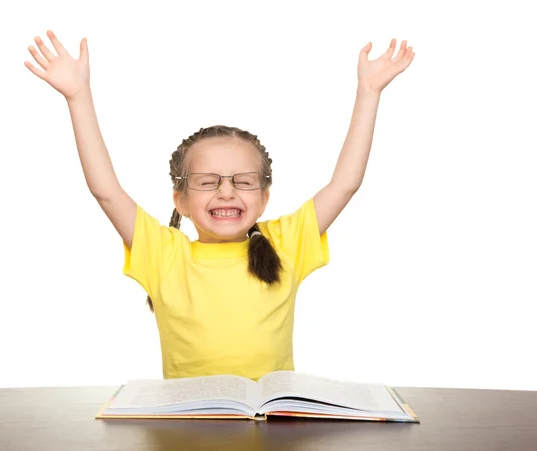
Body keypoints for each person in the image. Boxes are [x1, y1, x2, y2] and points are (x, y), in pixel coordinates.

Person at [25, 30, 415, 381]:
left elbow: (345, 184)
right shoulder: (164, 254)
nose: (226, 192)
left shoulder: (286, 243)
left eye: (243, 182)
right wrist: (78, 97)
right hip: (188, 426)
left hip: (271, 426)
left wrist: (369, 92)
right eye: (207, 182)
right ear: (181, 199)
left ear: (264, 197)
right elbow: (106, 190)